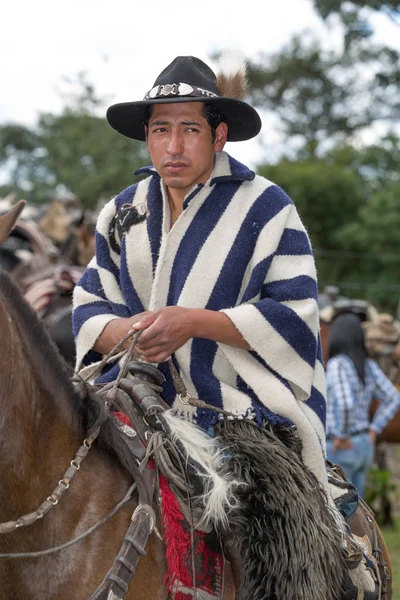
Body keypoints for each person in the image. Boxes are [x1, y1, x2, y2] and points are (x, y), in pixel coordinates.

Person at [72, 55, 372, 597]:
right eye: (160, 129)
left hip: (240, 412)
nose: (174, 146)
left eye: (190, 129)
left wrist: (195, 323)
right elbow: (91, 300)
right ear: (146, 138)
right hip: (131, 399)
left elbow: (295, 313)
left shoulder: (268, 208)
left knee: (281, 529)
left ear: (220, 134)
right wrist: (127, 335)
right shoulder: (122, 211)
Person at [325, 311, 400, 498]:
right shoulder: (368, 365)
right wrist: (374, 429)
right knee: (358, 507)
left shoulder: (337, 364)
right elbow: (393, 397)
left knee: (338, 508)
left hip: (342, 446)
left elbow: (345, 404)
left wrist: (342, 435)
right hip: (364, 444)